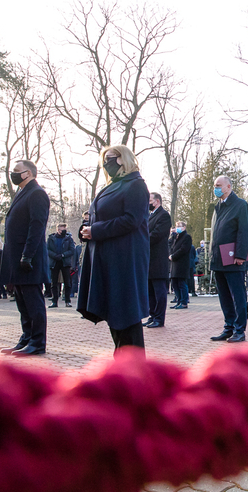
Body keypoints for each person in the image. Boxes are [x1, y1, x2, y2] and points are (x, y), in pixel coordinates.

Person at [78, 146, 149, 354]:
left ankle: (133, 370)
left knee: (125, 312)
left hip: (124, 259)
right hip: (108, 257)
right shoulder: (114, 186)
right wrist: (87, 230)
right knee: (115, 311)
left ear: (123, 159)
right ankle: (123, 365)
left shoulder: (135, 185)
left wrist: (97, 230)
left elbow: (132, 220)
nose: (106, 164)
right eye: (104, 160)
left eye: (110, 158)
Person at [0, 161, 50, 355]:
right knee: (22, 301)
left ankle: (38, 342)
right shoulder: (22, 193)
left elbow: (36, 226)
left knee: (33, 302)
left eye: (16, 172)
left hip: (29, 258)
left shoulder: (37, 193)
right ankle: (27, 338)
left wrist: (27, 255)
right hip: (17, 257)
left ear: (28, 173)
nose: (13, 174)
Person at [208, 175, 248, 343]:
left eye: (218, 185)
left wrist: (241, 255)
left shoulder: (240, 205)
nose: (216, 188)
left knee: (237, 295)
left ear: (228, 186)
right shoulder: (218, 207)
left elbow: (244, 231)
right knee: (224, 296)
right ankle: (229, 327)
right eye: (214, 185)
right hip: (218, 258)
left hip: (233, 258)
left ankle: (240, 330)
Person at [145, 192, 172, 328]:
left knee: (159, 290)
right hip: (149, 259)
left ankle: (159, 318)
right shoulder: (150, 216)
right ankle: (152, 315)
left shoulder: (164, 215)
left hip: (158, 258)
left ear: (157, 201)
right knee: (150, 290)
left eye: (149, 200)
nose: (147, 203)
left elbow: (157, 234)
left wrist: (142, 239)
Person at [46, 223, 75, 308]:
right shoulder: (51, 238)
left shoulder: (69, 239)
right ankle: (54, 301)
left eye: (64, 229)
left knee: (67, 282)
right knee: (54, 283)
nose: (63, 231)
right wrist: (54, 255)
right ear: (58, 230)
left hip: (65, 262)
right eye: (61, 229)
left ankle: (67, 301)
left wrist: (63, 255)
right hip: (54, 262)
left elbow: (72, 250)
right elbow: (47, 249)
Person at [167, 221, 192, 312]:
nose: (177, 228)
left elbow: (183, 249)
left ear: (184, 227)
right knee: (174, 283)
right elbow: (171, 247)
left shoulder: (187, 237)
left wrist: (174, 256)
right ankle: (178, 300)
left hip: (181, 263)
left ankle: (184, 301)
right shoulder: (175, 237)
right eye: (176, 226)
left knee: (181, 283)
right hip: (174, 263)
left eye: (179, 226)